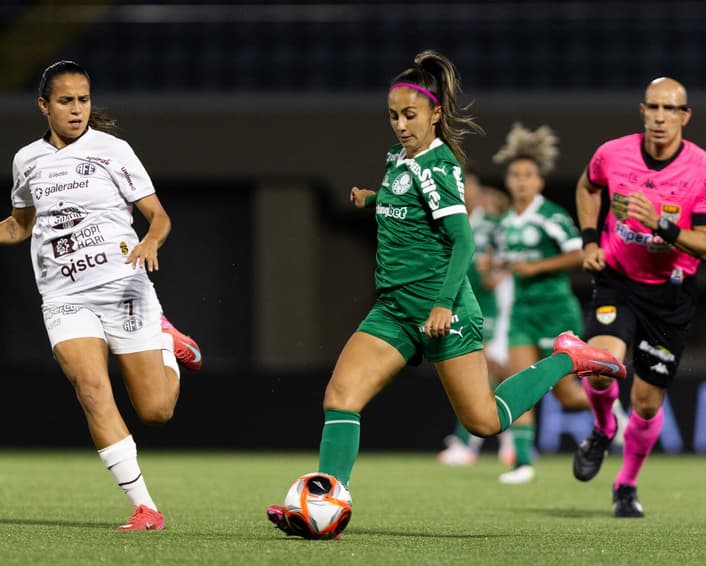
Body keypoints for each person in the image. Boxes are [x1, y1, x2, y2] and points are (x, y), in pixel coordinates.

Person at [266, 50, 626, 538]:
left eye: (409, 115)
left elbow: (463, 241)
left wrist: (442, 303)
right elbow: (404, 202)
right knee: (341, 397)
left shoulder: (440, 167)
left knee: (483, 422)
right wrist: (372, 198)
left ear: (435, 114)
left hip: (445, 311)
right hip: (395, 309)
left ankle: (566, 357)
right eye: (393, 115)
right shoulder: (399, 159)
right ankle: (330, 498)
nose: (400, 125)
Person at [0, 60, 202, 531]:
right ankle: (144, 507)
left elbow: (159, 216)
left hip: (123, 289)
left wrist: (151, 240)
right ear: (43, 106)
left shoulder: (113, 150)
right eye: (65, 101)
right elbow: (21, 226)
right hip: (65, 296)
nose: (76, 110)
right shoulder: (27, 160)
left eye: (83, 100)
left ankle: (169, 344)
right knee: (91, 390)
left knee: (156, 410)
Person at [573, 76, 706, 518]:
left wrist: (662, 225)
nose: (661, 117)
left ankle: (626, 484)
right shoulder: (613, 153)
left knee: (647, 403)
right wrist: (590, 240)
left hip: (669, 294)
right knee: (599, 368)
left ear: (685, 116)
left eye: (671, 109)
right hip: (617, 279)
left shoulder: (701, 168)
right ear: (643, 112)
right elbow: (588, 186)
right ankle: (602, 427)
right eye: (654, 108)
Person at [490, 123, 596, 484]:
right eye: (515, 174)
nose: (521, 180)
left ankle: (608, 408)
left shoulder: (550, 215)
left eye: (528, 175)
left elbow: (580, 254)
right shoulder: (504, 223)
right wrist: (495, 269)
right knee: (519, 384)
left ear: (539, 182)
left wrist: (537, 267)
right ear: (508, 180)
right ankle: (522, 462)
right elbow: (507, 263)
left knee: (567, 396)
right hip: (522, 313)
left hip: (555, 311)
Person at [436, 169, 515, 467]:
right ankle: (507, 436)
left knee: (484, 369)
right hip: (460, 305)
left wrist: (499, 270)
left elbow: (517, 250)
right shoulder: (450, 224)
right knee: (482, 372)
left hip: (492, 306)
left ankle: (467, 443)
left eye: (466, 184)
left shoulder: (492, 223)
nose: (462, 189)